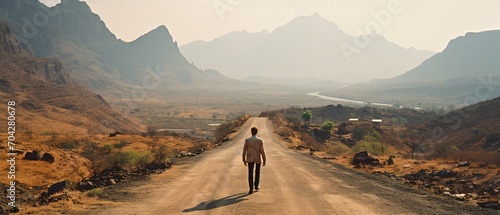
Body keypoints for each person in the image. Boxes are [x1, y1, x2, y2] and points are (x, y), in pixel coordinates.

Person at [242, 127, 266, 194]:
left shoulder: (247, 140)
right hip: (257, 158)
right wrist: (264, 159)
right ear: (257, 132)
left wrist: (243, 159)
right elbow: (262, 151)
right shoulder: (260, 140)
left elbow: (244, 150)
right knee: (257, 172)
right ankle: (256, 185)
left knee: (250, 173)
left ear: (251, 132)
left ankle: (251, 188)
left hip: (250, 158)